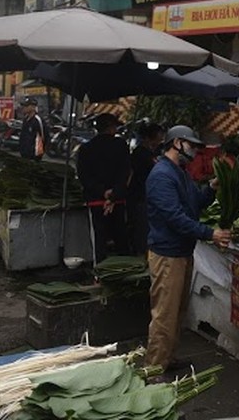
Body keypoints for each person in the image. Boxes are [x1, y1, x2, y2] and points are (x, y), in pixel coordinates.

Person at [145, 125, 230, 380]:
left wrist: (213, 187)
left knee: (178, 311)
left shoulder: (180, 173)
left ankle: (167, 357)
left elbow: (196, 203)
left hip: (182, 252)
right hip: (167, 254)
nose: (194, 149)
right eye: (191, 144)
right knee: (164, 314)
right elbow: (175, 217)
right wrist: (210, 233)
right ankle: (153, 369)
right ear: (177, 143)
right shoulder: (161, 175)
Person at [77, 113, 132, 261]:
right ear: (112, 128)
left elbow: (84, 177)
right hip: (117, 201)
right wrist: (114, 195)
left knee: (99, 239)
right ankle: (126, 270)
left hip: (96, 201)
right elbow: (125, 173)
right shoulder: (121, 146)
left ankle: (100, 273)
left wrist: (103, 192)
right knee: (121, 237)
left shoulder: (85, 148)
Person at [129, 120, 165, 255]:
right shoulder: (141, 154)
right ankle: (141, 253)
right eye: (159, 137)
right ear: (151, 138)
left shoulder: (150, 153)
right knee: (141, 228)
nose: (160, 140)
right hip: (139, 196)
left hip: (145, 196)